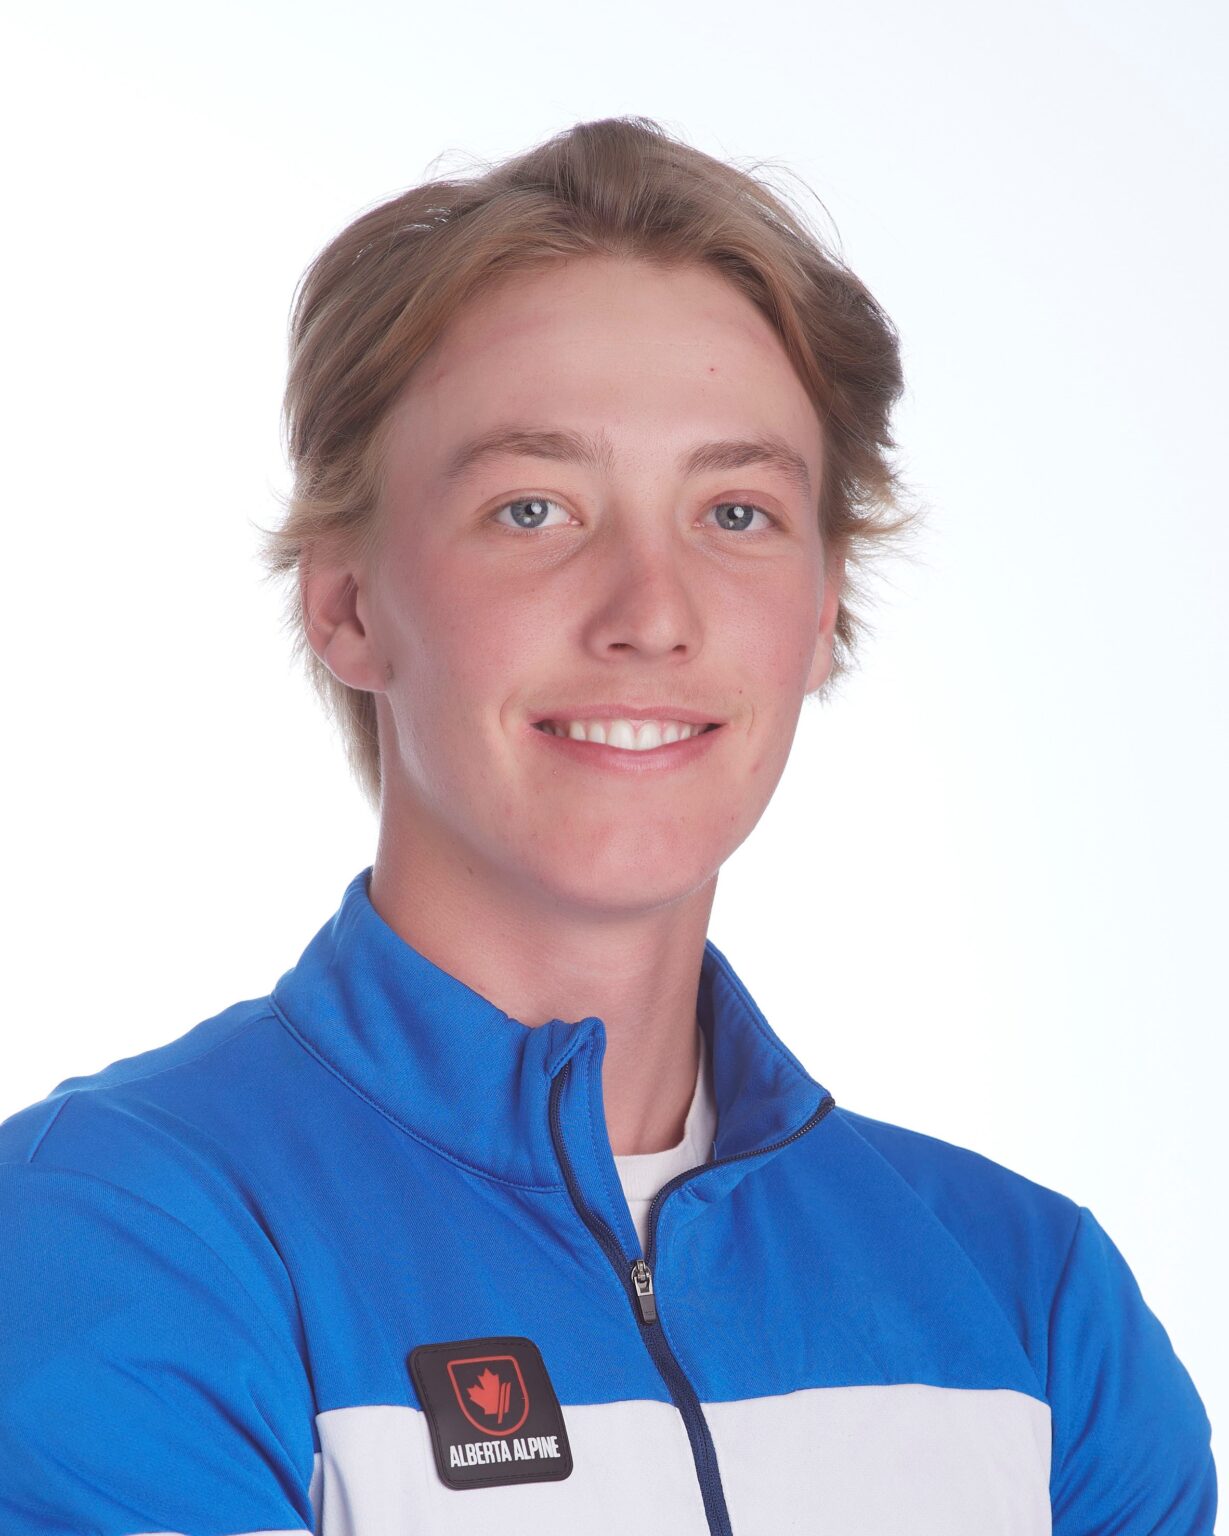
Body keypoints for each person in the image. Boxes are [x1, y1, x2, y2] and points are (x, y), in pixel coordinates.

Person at [0, 116, 1216, 1535]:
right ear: (347, 603)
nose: (651, 612)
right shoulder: (112, 1236)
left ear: (823, 612)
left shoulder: (1034, 1311)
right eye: (534, 509)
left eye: (736, 513)